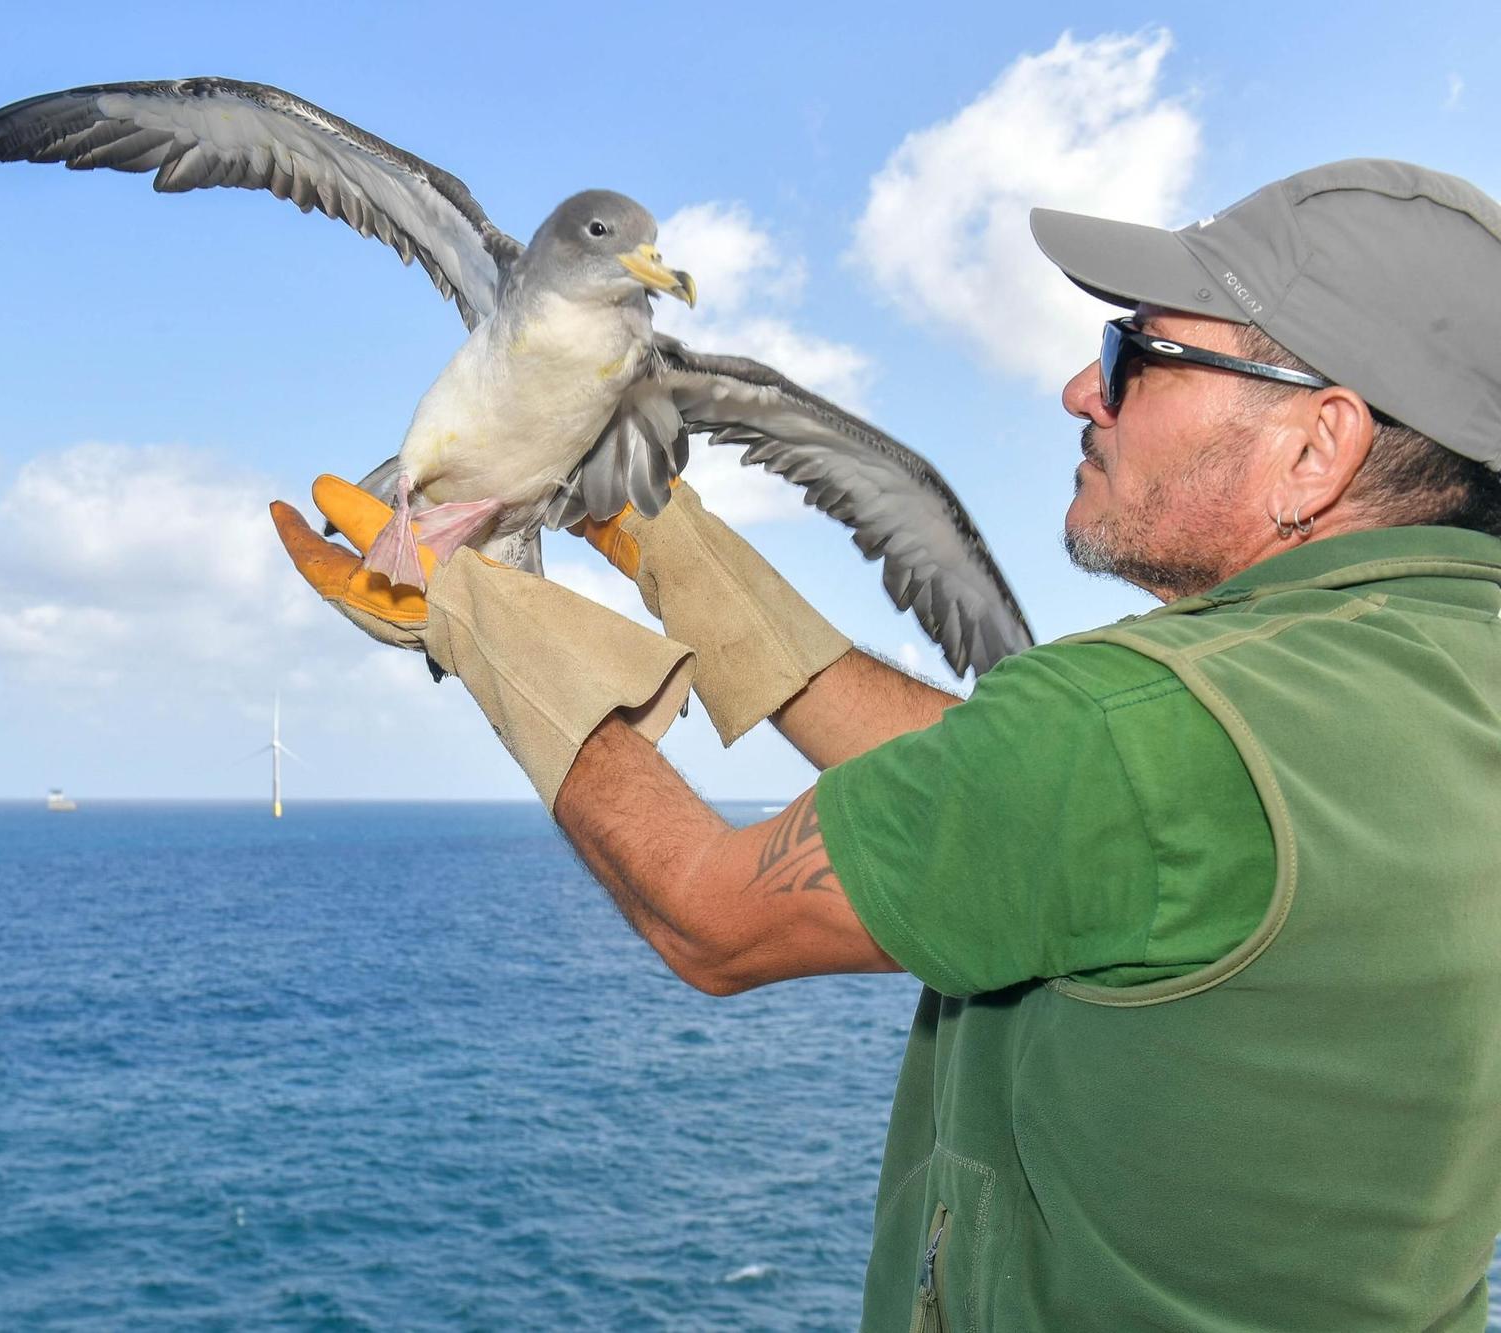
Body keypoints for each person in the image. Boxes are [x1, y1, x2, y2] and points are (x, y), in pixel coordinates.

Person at [270, 158, 1501, 1330]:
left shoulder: (1143, 729)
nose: (1082, 388)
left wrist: (478, 613)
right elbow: (1050, 801)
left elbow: (716, 916)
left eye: (1136, 353)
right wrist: (679, 556)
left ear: (1316, 445)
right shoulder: (1431, 676)